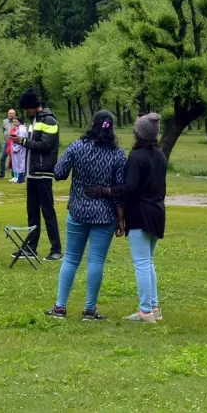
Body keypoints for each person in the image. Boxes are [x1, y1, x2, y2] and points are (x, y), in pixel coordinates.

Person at [45, 111, 126, 321]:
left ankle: (60, 307)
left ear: (92, 124)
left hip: (78, 211)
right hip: (105, 215)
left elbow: (60, 173)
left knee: (71, 259)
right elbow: (120, 190)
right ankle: (90, 310)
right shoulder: (118, 153)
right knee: (96, 261)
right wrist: (120, 218)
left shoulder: (77, 147)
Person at [86, 113, 166, 323]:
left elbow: (129, 186)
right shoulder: (160, 155)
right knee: (148, 262)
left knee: (141, 263)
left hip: (140, 213)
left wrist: (106, 190)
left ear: (139, 134)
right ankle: (154, 307)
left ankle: (145, 311)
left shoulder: (137, 157)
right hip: (157, 212)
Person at [13, 89, 63, 261]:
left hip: (43, 172)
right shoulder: (34, 120)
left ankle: (56, 249)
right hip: (32, 173)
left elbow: (46, 146)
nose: (25, 112)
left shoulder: (49, 120)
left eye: (26, 109)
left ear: (34, 106)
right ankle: (30, 248)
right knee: (32, 212)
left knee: (48, 212)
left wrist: (23, 142)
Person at [0, 108, 16, 179]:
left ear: (14, 114)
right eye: (8, 113)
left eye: (11, 113)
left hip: (13, 143)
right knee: (2, 158)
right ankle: (2, 174)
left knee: (13, 159)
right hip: (5, 142)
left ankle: (14, 175)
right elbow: (3, 130)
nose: (9, 115)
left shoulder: (16, 121)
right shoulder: (4, 121)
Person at [11, 119, 27, 183]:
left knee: (21, 163)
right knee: (17, 164)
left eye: (16, 122)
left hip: (20, 150)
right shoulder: (18, 129)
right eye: (14, 122)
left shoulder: (22, 130)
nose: (15, 123)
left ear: (20, 122)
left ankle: (21, 178)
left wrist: (15, 149)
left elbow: (21, 141)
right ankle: (17, 178)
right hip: (16, 149)